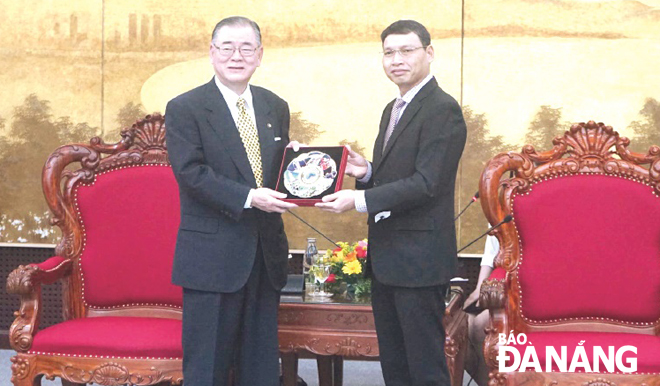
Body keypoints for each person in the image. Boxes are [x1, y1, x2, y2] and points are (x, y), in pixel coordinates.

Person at [317, 20, 467, 386]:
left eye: (407, 50)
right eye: (388, 52)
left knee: (424, 368)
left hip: (420, 261)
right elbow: (400, 176)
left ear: (429, 54)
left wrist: (360, 199)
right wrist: (366, 170)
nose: (396, 60)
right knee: (396, 367)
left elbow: (427, 183)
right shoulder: (394, 107)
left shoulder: (441, 109)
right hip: (390, 259)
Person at [165, 16, 297, 386]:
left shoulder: (275, 106)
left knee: (261, 370)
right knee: (207, 369)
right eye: (227, 47)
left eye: (246, 48)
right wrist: (250, 197)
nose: (236, 56)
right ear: (212, 53)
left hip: (265, 255)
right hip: (212, 259)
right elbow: (191, 173)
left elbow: (275, 173)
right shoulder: (185, 107)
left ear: (259, 55)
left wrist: (297, 164)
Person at [463, 234, 498, 386]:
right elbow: (490, 254)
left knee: (481, 325)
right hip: (495, 284)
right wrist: (478, 289)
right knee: (462, 325)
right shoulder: (499, 211)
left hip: (519, 287)